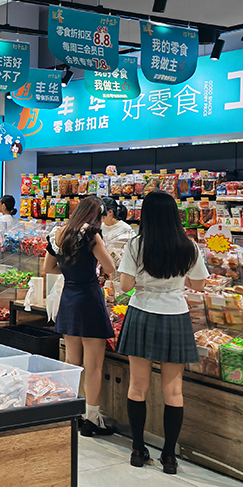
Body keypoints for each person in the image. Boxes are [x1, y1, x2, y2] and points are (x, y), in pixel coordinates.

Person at [117, 191, 209, 474]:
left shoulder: (136, 244)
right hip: (175, 315)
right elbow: (200, 285)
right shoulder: (189, 246)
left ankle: (137, 449)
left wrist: (145, 283)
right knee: (174, 389)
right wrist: (175, 282)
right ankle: (169, 456)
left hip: (142, 312)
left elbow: (125, 286)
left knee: (137, 385)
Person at [43, 195, 117, 437]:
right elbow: (110, 267)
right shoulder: (91, 235)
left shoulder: (58, 233)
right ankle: (92, 419)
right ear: (96, 216)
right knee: (93, 365)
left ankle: (71, 412)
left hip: (69, 298)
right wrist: (96, 271)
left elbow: (48, 268)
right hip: (90, 299)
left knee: (72, 362)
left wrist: (69, 272)